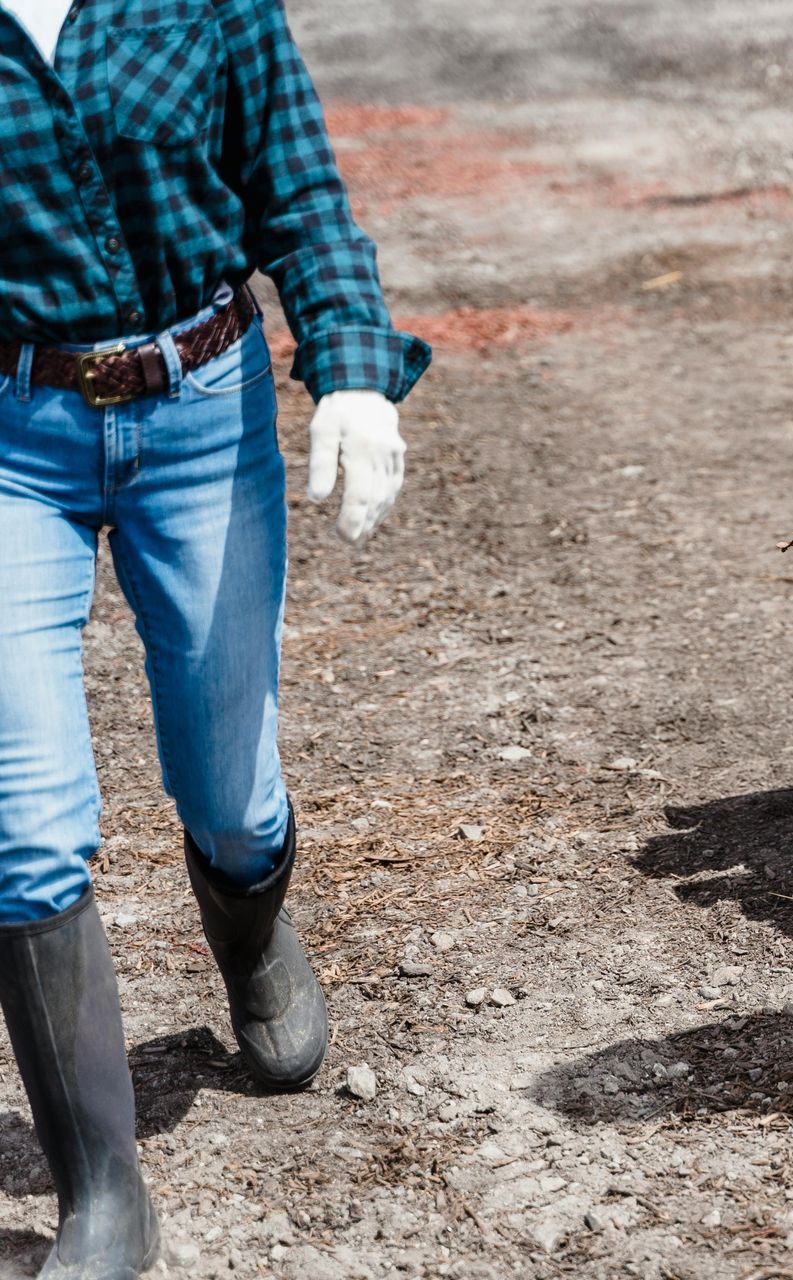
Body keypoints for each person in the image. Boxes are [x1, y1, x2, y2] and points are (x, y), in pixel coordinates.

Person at [0, 0, 428, 1273]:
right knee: (20, 815)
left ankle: (248, 936)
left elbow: (295, 182)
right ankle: (106, 1197)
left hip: (203, 413)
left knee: (232, 795)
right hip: (16, 434)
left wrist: (348, 361)